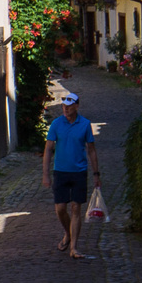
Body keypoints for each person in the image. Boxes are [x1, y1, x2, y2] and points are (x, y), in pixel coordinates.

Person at [40, 91, 99, 260]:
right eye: (63, 106)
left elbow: (92, 150)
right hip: (61, 171)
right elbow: (48, 149)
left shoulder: (85, 124)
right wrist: (46, 174)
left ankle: (74, 247)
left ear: (76, 106)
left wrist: (96, 173)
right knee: (60, 209)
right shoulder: (56, 124)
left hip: (79, 172)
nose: (65, 109)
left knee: (76, 208)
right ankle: (68, 232)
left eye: (69, 106)